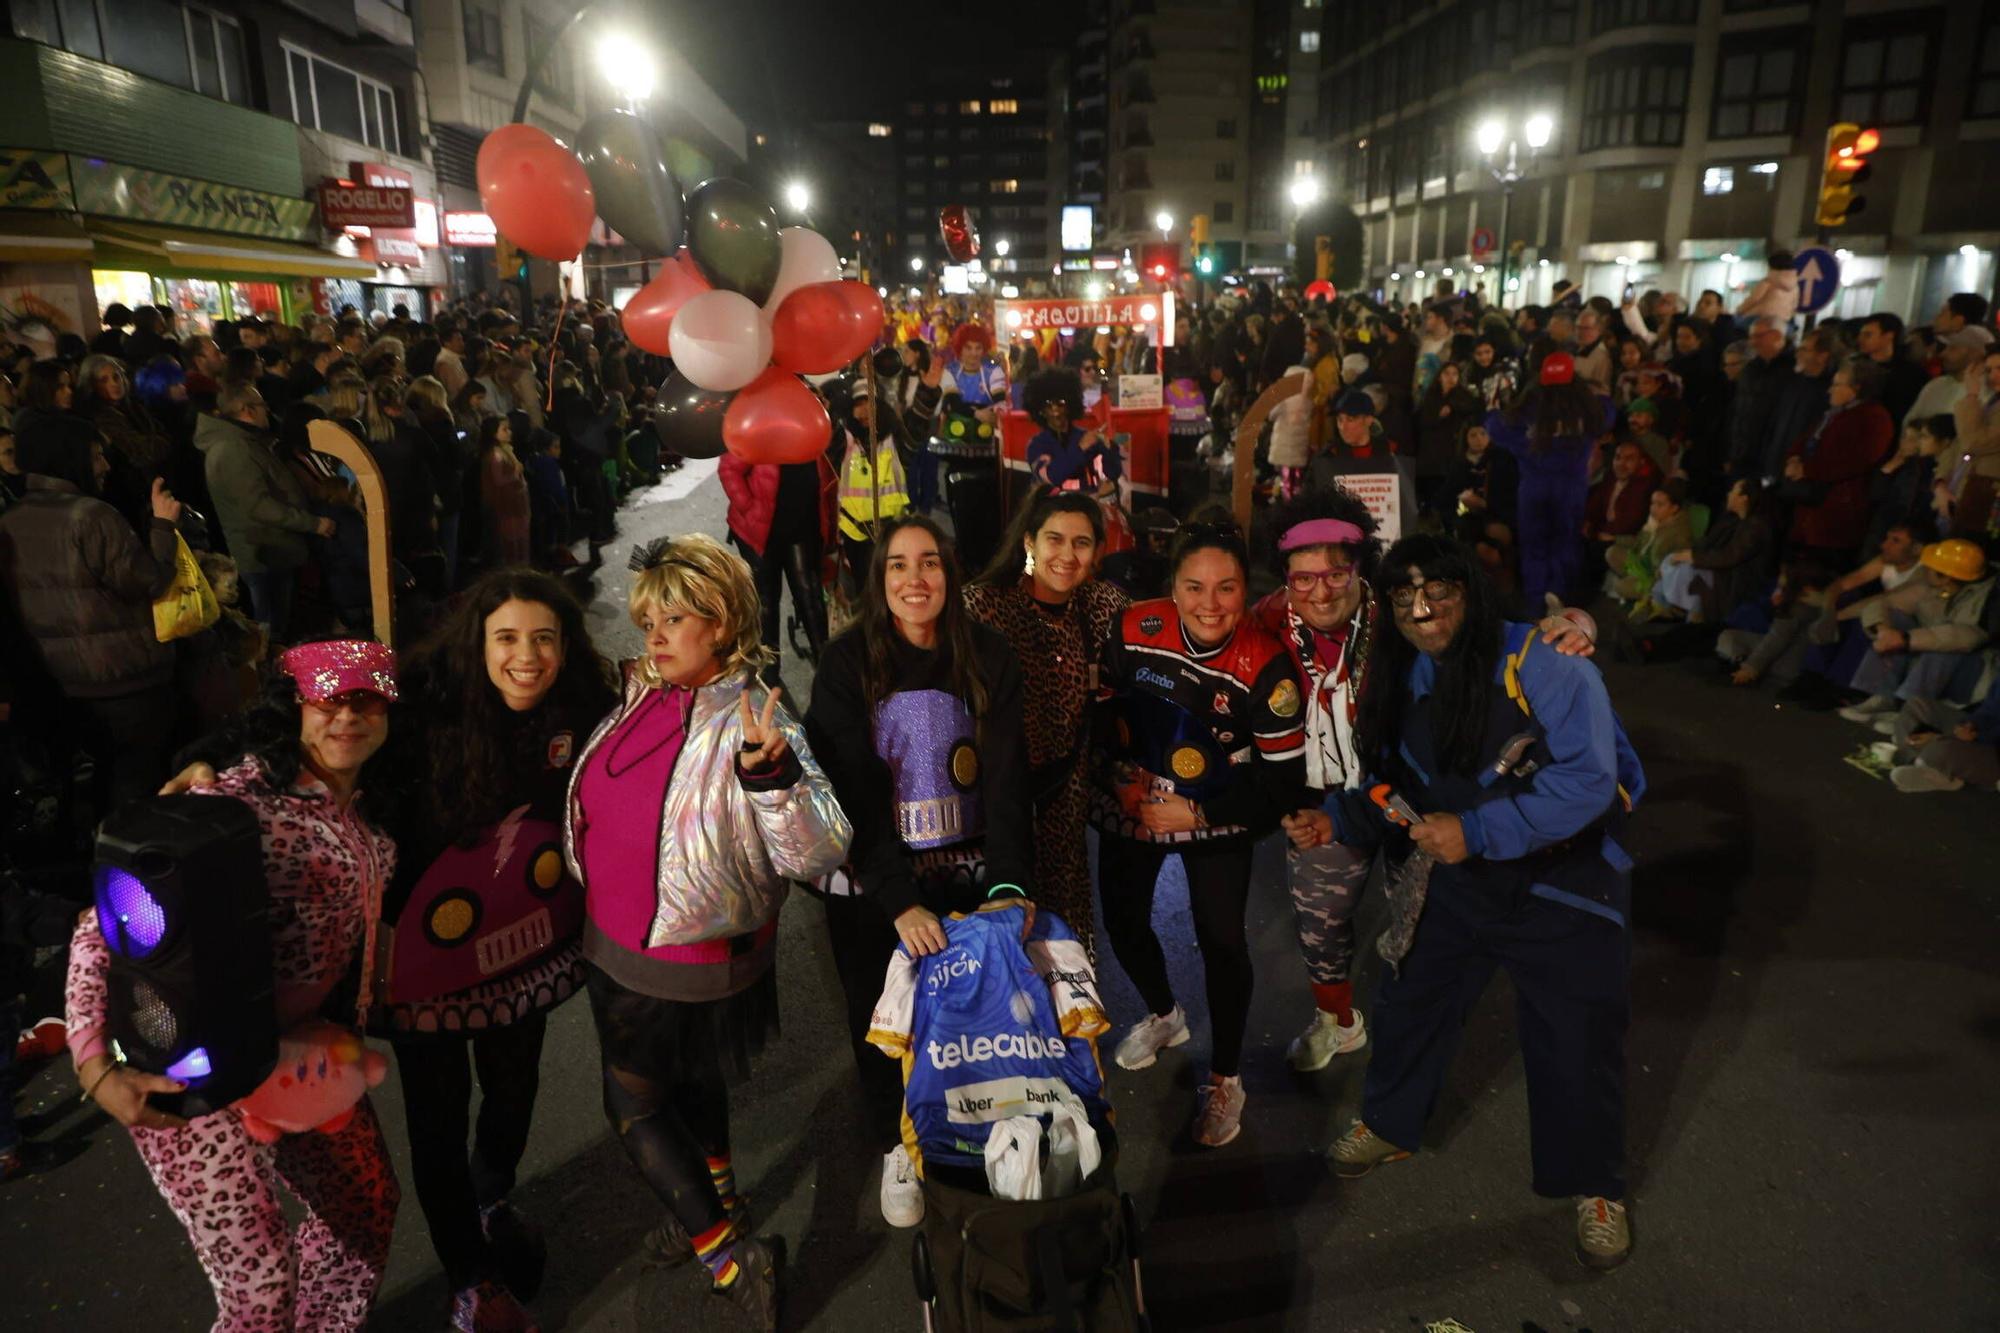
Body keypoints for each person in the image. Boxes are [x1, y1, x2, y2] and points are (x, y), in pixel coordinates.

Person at [1314, 535, 1644, 1271]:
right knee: (1410, 999)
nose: (1422, 608)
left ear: (1475, 590)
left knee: (1577, 1039)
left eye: (1439, 591)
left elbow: (1590, 781)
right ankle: (1390, 1120)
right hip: (1459, 879)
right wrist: (1338, 818)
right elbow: (1399, 781)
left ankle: (1595, 1185)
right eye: (1404, 597)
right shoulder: (1402, 672)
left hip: (1566, 881)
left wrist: (1478, 829)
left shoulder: (1549, 662)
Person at [65, 641, 403, 1329]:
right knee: (260, 1284)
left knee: (364, 1209)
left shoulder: (374, 801)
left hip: (296, 1058)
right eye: (327, 699)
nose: (347, 716)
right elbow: (100, 930)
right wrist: (96, 1067)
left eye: (366, 699)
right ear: (294, 707)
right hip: (189, 1069)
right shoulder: (233, 803)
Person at [565, 534, 848, 1330]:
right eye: (648, 617)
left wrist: (774, 776)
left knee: (633, 1105)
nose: (654, 634)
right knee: (691, 1081)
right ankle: (719, 1193)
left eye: (675, 618)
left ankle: (727, 1254)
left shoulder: (753, 716)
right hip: (618, 939)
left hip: (681, 955)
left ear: (722, 622)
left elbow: (818, 850)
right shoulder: (643, 688)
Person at [803, 515, 1033, 1226]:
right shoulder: (845, 664)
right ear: (879, 581)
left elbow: (1004, 776)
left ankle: (978, 1126)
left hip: (965, 858)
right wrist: (898, 899)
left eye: (929, 562)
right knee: (882, 1016)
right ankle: (895, 1144)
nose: (914, 580)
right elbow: (853, 792)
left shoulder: (986, 651)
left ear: (950, 573)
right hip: (875, 870)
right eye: (897, 565)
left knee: (972, 1008)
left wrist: (1007, 884)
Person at [1093, 517, 1306, 1147]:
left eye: (1227, 588)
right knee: (1124, 923)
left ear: (1246, 588)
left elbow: (1282, 787)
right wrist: (1117, 780)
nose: (1209, 605)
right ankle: (1166, 1015)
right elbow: (1102, 712)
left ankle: (1226, 1075)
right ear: (1172, 587)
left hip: (1219, 810)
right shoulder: (1134, 626)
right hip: (1133, 798)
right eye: (1193, 587)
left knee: (1221, 943)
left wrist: (1200, 814)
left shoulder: (1268, 663)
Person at [965, 490, 1129, 957]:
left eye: (1081, 543)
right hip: (995, 806)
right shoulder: (984, 608)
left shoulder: (1104, 607)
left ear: (1097, 552)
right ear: (1029, 543)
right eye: (1054, 539)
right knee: (1001, 939)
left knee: (1066, 939)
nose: (1067, 555)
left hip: (1065, 802)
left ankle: (1073, 1027)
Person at [0, 417, 185, 811]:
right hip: (124, 680)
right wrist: (163, 527)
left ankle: (99, 856)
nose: (104, 465)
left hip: (61, 681)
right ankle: (132, 867)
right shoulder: (92, 517)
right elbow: (149, 582)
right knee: (137, 784)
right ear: (71, 457)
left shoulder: (10, 520)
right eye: (97, 455)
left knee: (97, 783)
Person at [198, 382, 335, 640]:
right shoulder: (233, 448)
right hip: (262, 553)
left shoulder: (244, 442)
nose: (267, 411)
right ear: (247, 410)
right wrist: (312, 523)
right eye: (263, 406)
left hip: (273, 548)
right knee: (269, 629)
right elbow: (258, 506)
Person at [1486, 352, 1616, 608]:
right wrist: (1600, 393)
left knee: (1534, 544)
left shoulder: (1528, 408)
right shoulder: (1588, 409)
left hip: (1534, 487)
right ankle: (1560, 595)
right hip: (1572, 488)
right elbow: (1608, 414)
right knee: (1566, 542)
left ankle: (1536, 601)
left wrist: (1491, 411)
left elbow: (1498, 429)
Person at [1840, 539, 1993, 721]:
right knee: (1896, 620)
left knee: (1943, 647)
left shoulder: (1987, 596)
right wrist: (1884, 631)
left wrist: (1905, 639)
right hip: (1931, 648)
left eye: (1931, 567)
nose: (1925, 568)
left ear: (1946, 577)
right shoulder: (1932, 585)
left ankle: (1906, 711)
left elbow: (1968, 637)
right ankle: (1882, 698)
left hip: (1970, 668)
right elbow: (1884, 604)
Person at [1781, 359, 1896, 564]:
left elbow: (1857, 460)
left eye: (1837, 385)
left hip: (1838, 511)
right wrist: (1794, 458)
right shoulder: (1832, 415)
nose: (1830, 390)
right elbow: (1804, 440)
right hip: (1810, 508)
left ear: (1856, 388)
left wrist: (1808, 470)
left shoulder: (1874, 418)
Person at [1655, 477, 1778, 623]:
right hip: (1721, 575)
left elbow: (1729, 556)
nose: (1728, 494)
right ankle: (1671, 609)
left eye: (1733, 491)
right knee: (1674, 565)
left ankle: (1688, 618)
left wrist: (1693, 557)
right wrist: (1686, 555)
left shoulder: (1757, 527)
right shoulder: (1733, 520)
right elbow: (1708, 543)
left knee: (1691, 573)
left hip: (1735, 584)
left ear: (1743, 499)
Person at [1022, 367, 1123, 497]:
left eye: (1060, 403)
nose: (1055, 410)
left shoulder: (1087, 437)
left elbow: (1113, 473)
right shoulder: (1037, 445)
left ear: (1070, 405)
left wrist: (1110, 448)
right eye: (1048, 405)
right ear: (1040, 410)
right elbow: (1051, 477)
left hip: (1087, 507)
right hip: (1052, 510)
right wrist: (1080, 449)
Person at [478, 416, 530, 569]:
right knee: (512, 542)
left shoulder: (505, 451)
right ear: (493, 433)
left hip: (515, 503)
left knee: (519, 540)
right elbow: (499, 480)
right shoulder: (496, 455)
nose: (509, 432)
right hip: (508, 506)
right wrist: (516, 472)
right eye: (504, 429)